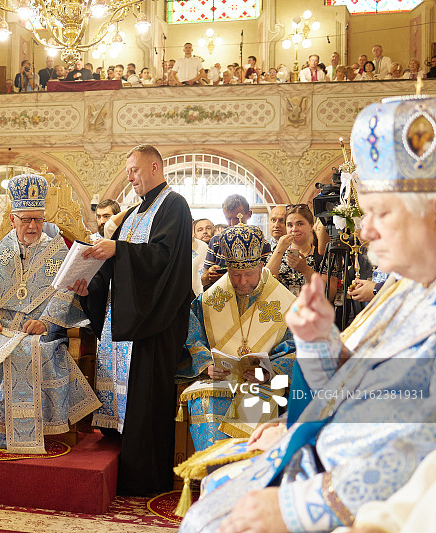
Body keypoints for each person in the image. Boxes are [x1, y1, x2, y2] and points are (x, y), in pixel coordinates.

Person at [179, 93, 436, 533]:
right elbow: (358, 388)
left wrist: (302, 506)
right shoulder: (407, 288)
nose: (364, 229)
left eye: (380, 212)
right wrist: (320, 343)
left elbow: (420, 442)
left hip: (359, 498)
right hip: (313, 455)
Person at [0, 173, 100, 453]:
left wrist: (46, 322)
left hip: (40, 332)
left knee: (25, 350)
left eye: (38, 219)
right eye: (26, 219)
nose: (32, 226)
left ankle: (25, 429)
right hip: (0, 328)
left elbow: (67, 292)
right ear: (13, 219)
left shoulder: (58, 253)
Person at [71, 144, 192, 495]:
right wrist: (88, 289)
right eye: (128, 171)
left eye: (134, 170)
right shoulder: (135, 212)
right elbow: (115, 266)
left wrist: (118, 249)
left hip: (152, 324)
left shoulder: (174, 205)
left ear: (155, 166)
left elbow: (163, 258)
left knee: (145, 403)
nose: (130, 177)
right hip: (123, 323)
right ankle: (121, 464)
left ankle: (144, 479)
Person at [177, 224, 296, 451]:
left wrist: (271, 370)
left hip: (264, 383)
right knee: (207, 400)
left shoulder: (285, 302)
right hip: (218, 381)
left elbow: (299, 349)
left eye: (248, 274)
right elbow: (192, 338)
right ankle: (211, 474)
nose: (242, 282)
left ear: (261, 266)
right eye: (235, 275)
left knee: (256, 399)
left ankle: (246, 478)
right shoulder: (210, 299)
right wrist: (207, 365)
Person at [202, 195, 272, 290]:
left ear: (249, 214)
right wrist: (210, 273)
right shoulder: (216, 241)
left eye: (236, 218)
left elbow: (265, 278)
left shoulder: (261, 244)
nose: (231, 223)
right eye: (228, 218)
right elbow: (204, 278)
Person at [267, 204, 322, 295]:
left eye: (300, 224)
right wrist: (279, 251)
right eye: (289, 225)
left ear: (311, 226)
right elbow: (265, 284)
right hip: (283, 307)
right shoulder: (277, 252)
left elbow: (328, 293)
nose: (294, 229)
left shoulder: (321, 255)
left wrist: (305, 270)